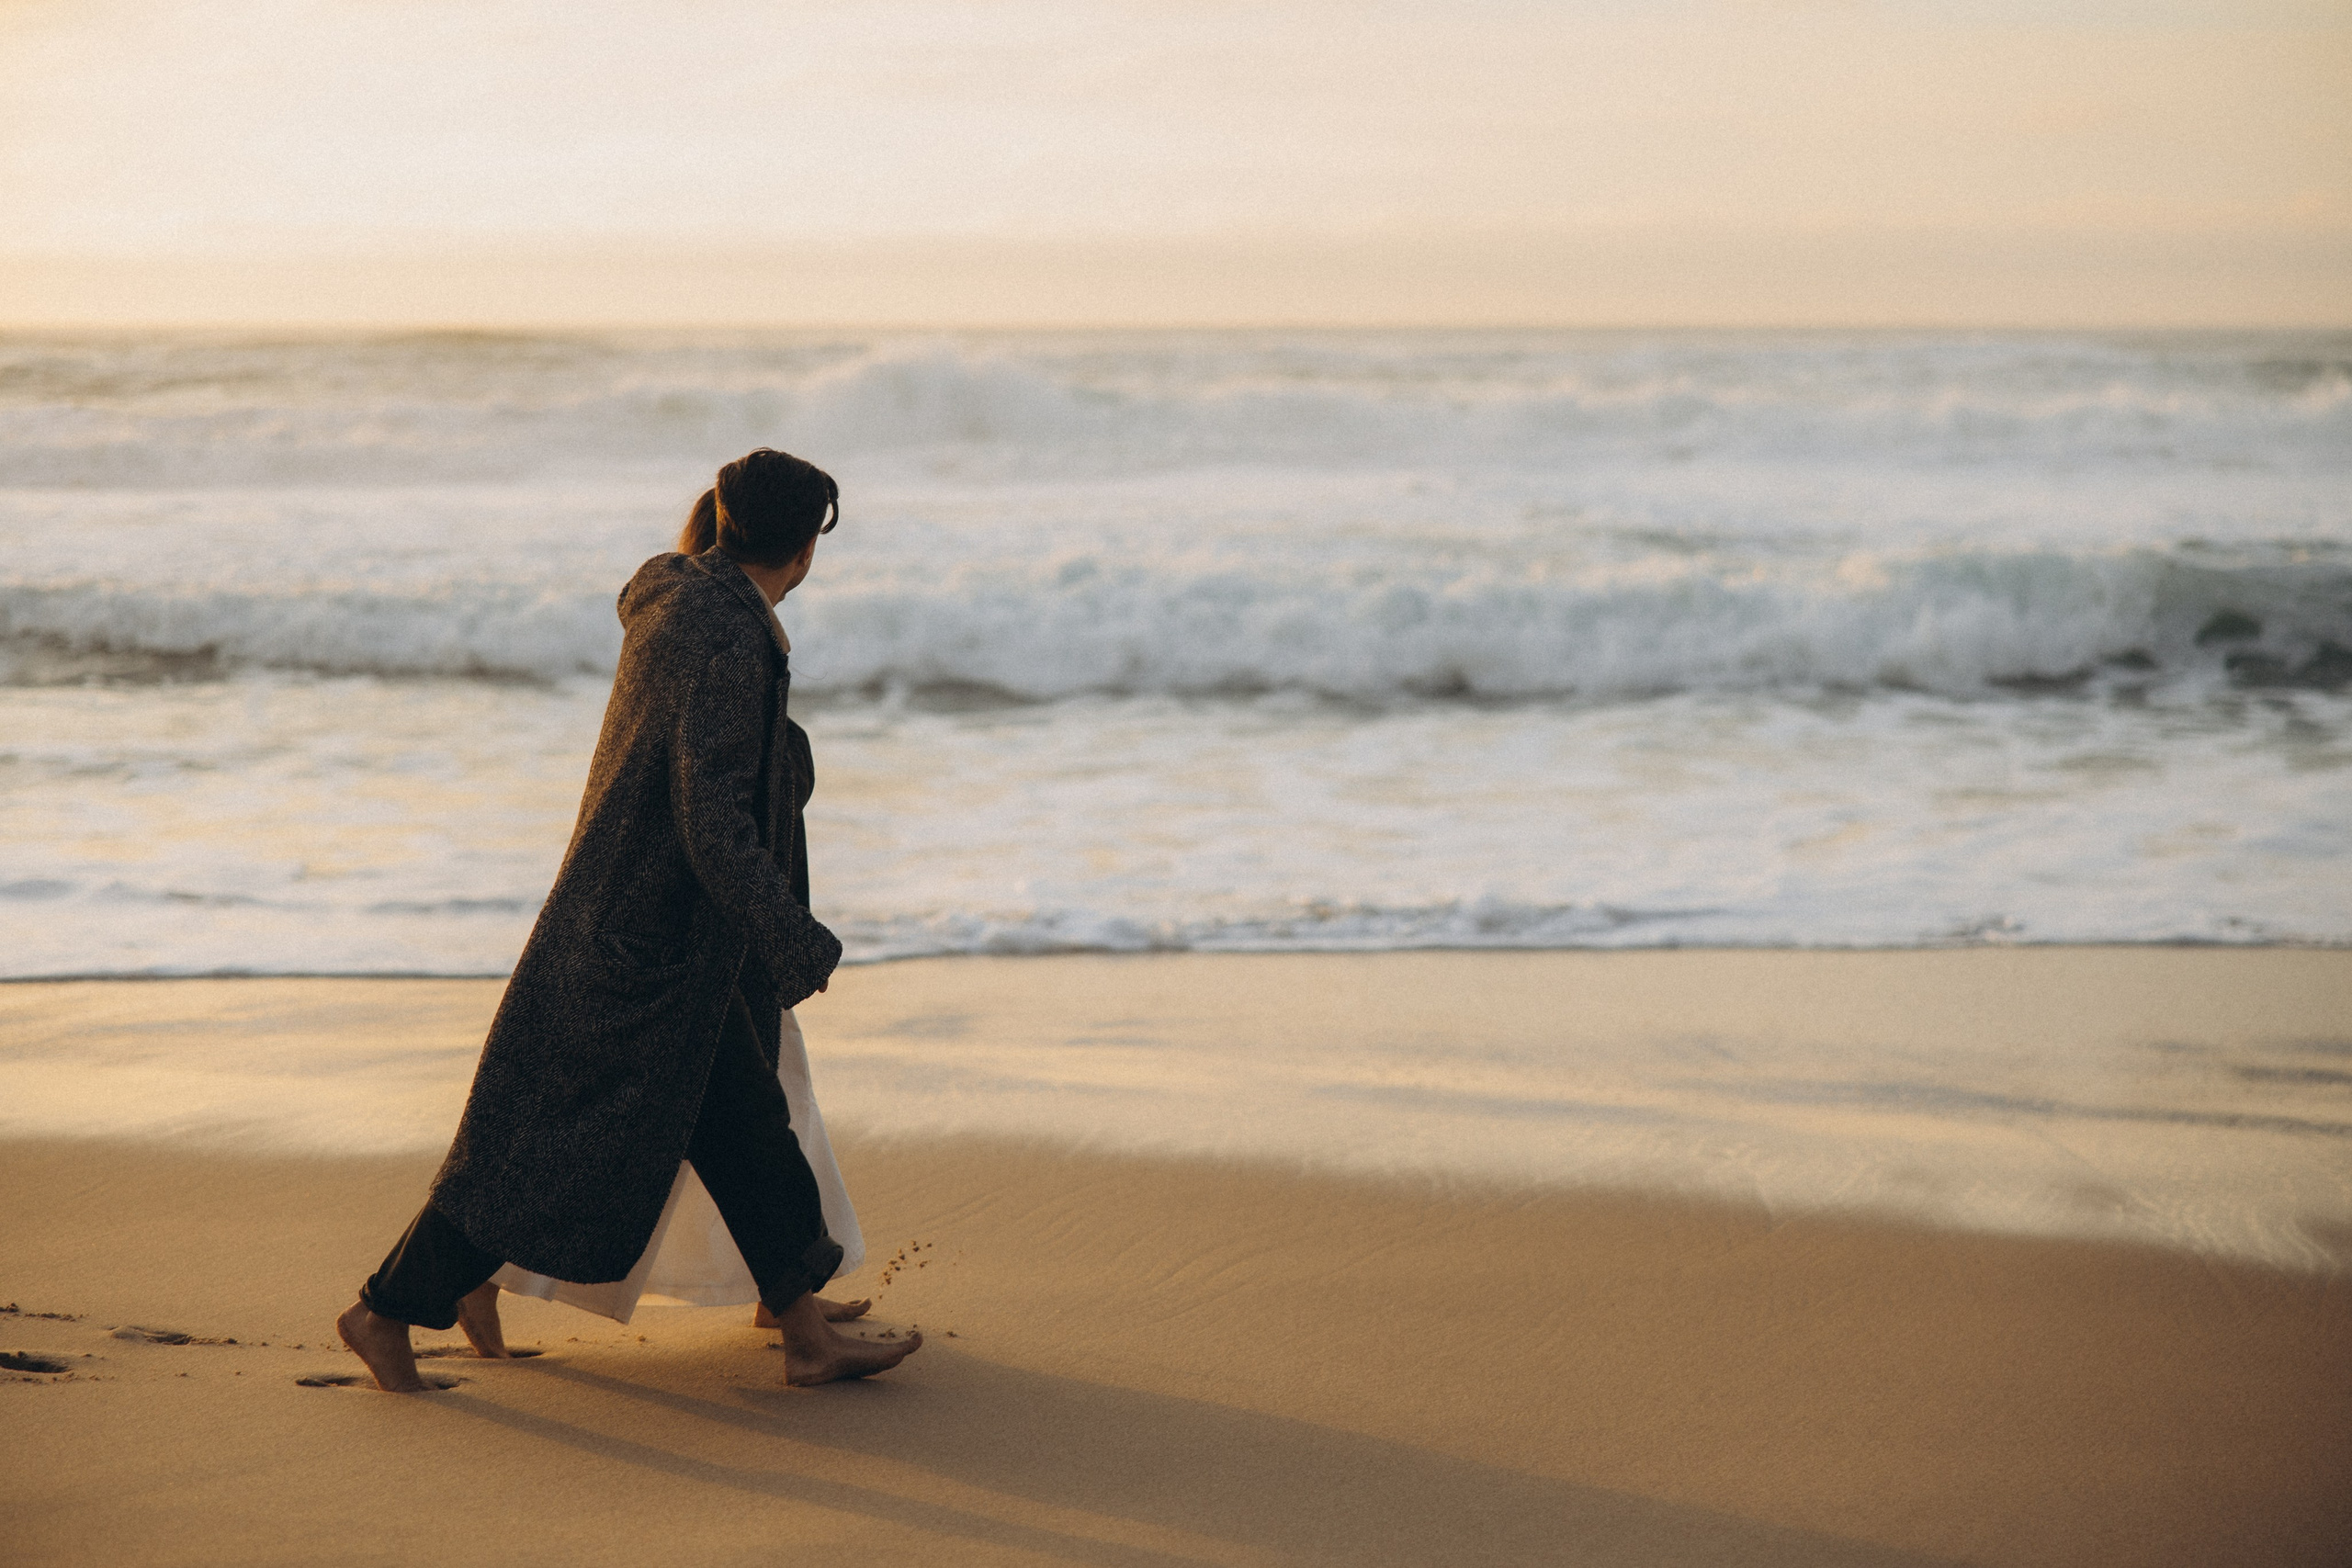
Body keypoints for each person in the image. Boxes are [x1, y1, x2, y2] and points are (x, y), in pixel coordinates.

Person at [336, 448, 921, 1392]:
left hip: (647, 934)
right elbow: (712, 822)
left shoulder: (673, 594)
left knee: (744, 1128)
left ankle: (804, 1330)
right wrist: (792, 933)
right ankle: (385, 1307)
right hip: (648, 949)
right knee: (543, 1145)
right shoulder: (732, 640)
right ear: (806, 548)